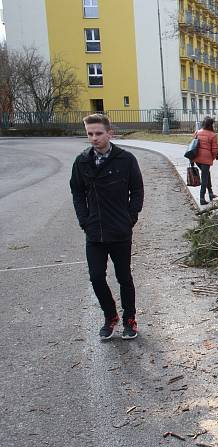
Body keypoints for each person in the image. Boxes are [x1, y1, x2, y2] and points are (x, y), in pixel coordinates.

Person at [70, 113, 144, 340]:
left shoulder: (126, 159)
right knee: (96, 277)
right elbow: (77, 193)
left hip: (120, 230)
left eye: (99, 133)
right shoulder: (82, 161)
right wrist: (84, 220)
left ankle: (129, 319)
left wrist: (130, 217)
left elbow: (137, 190)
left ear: (109, 133)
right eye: (90, 134)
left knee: (124, 278)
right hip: (94, 232)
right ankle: (110, 316)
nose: (94, 138)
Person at [193, 116, 218, 205]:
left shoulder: (198, 132)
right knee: (204, 177)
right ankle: (201, 198)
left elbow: (194, 144)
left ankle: (211, 193)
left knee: (207, 173)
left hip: (197, 158)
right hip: (205, 159)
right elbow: (215, 150)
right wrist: (212, 157)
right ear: (211, 125)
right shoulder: (213, 135)